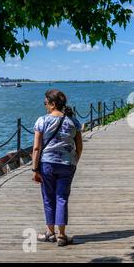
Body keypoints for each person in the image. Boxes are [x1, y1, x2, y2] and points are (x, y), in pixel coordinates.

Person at [32, 89, 83, 246]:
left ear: (53, 104)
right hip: (67, 165)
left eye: (46, 103)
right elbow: (79, 147)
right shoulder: (73, 122)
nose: (45, 105)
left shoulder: (42, 121)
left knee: (48, 198)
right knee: (62, 198)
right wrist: (74, 161)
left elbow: (36, 148)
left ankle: (50, 233)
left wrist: (35, 169)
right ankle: (61, 235)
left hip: (47, 164)